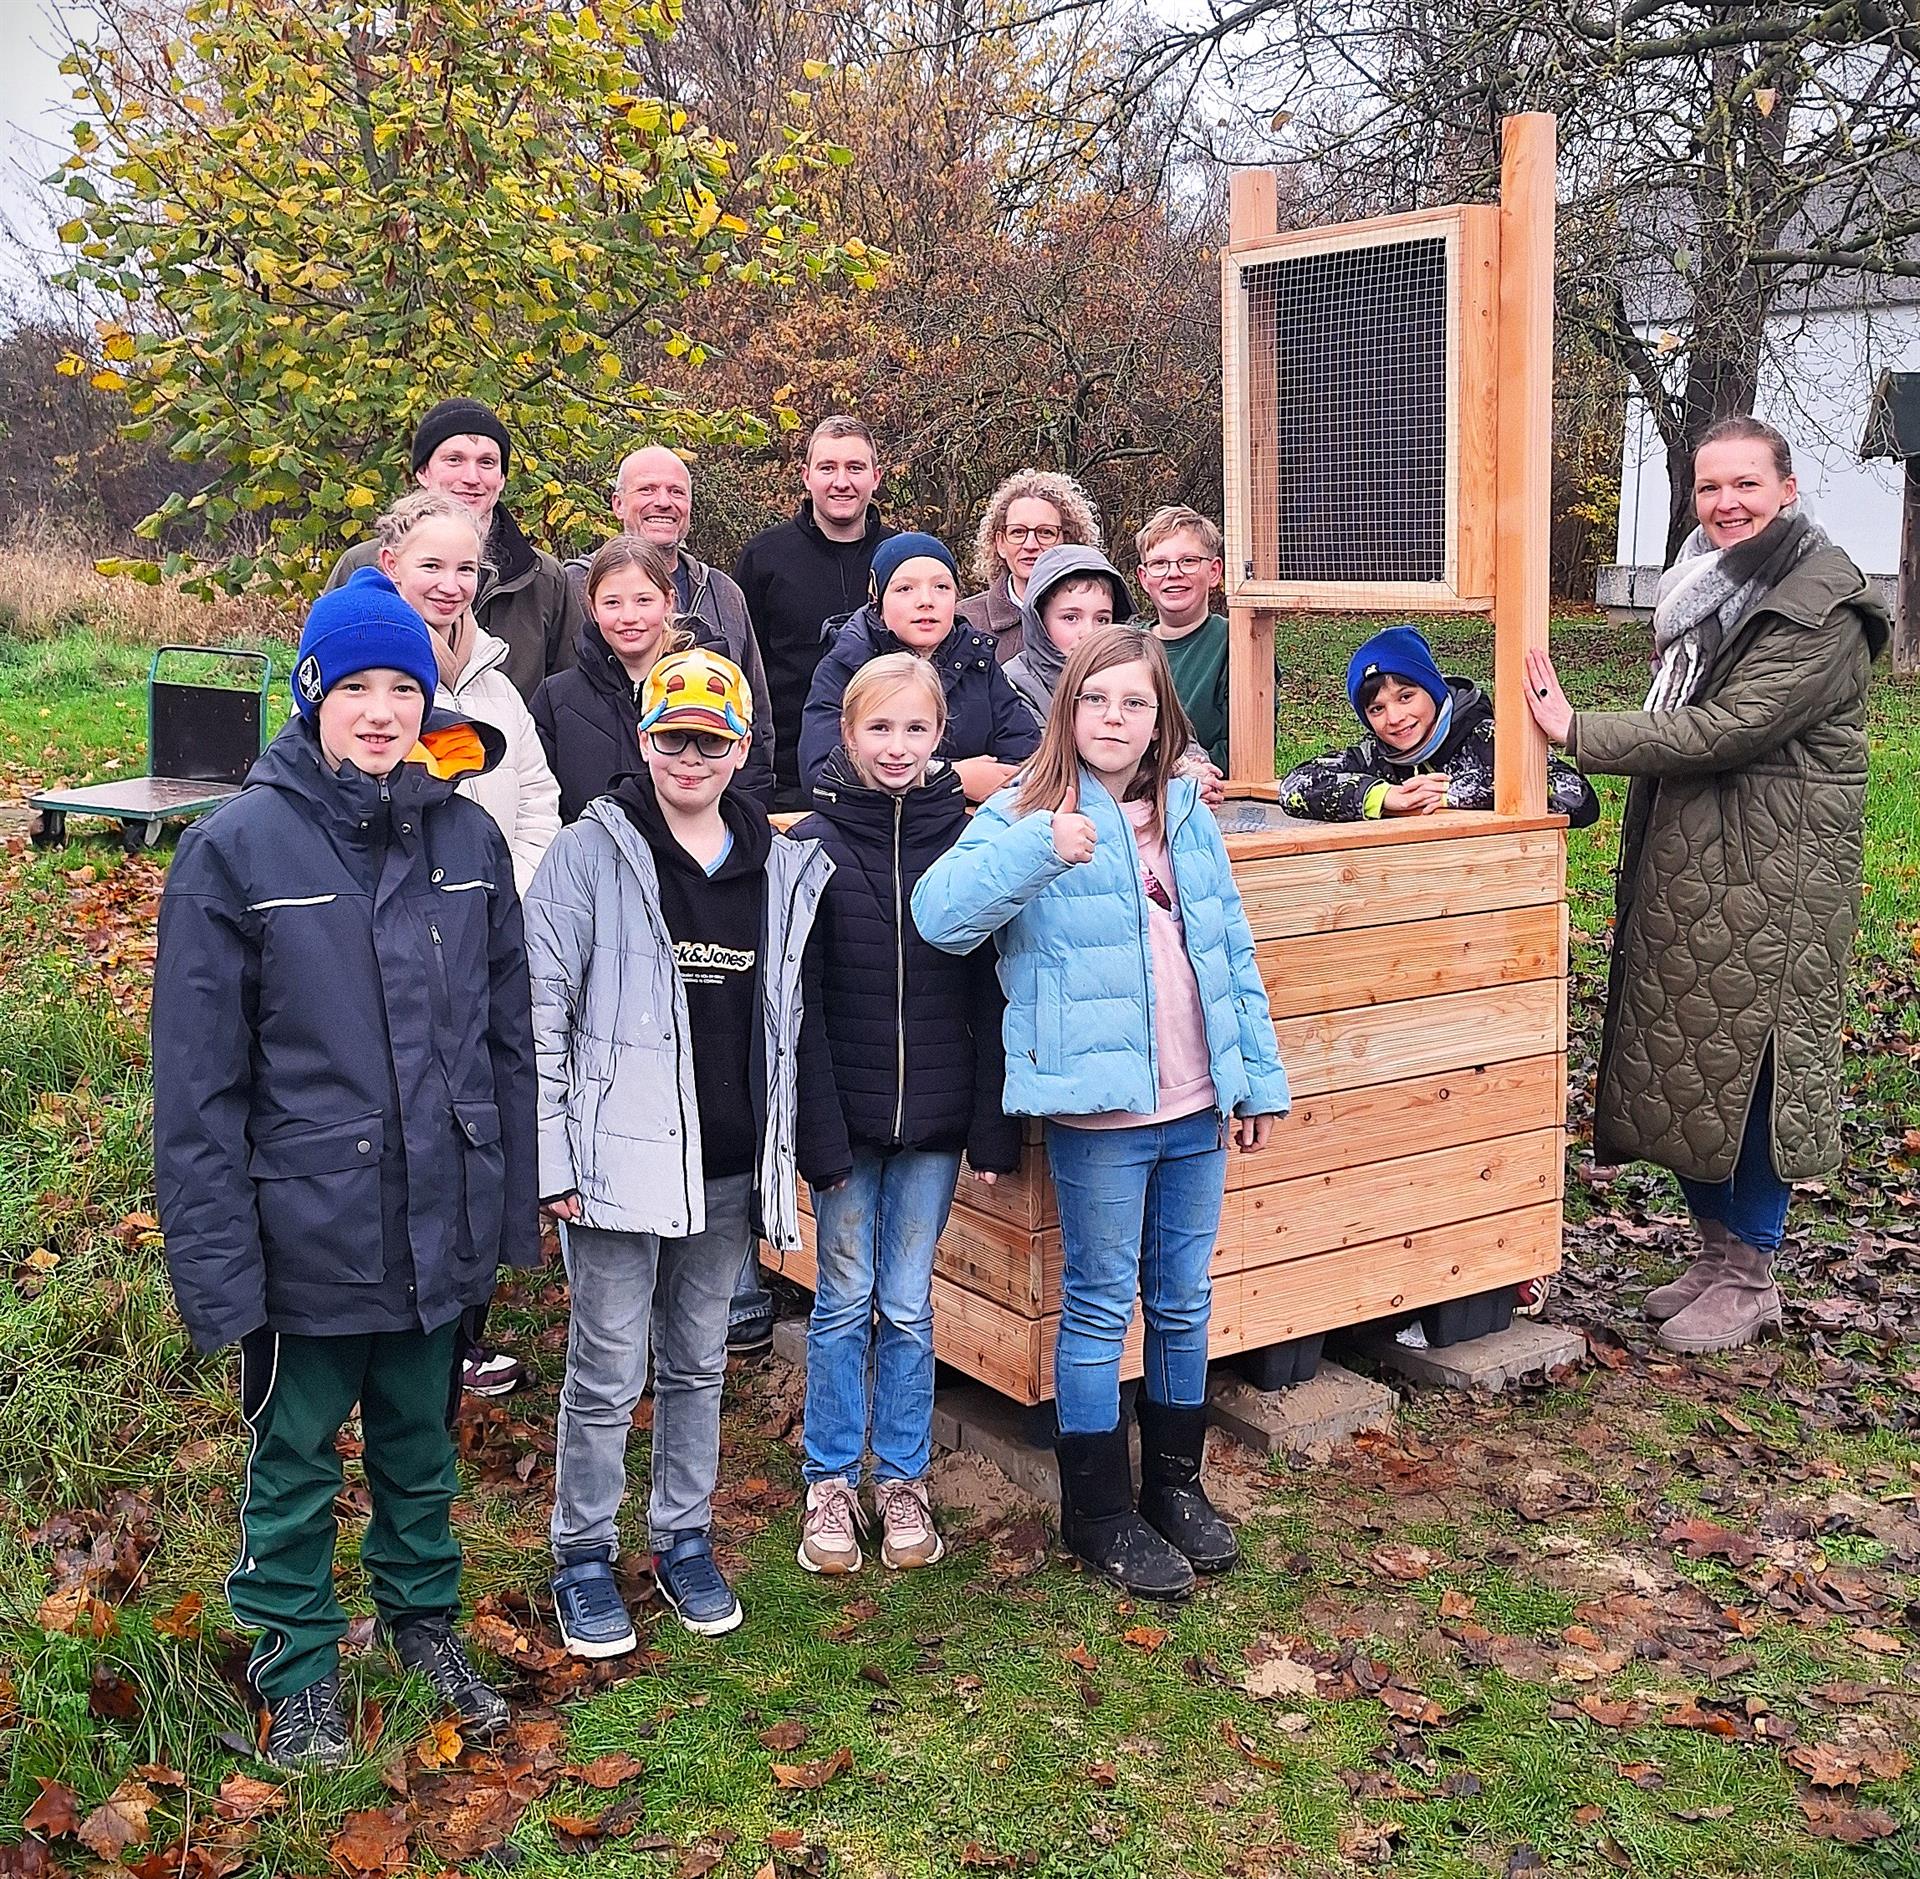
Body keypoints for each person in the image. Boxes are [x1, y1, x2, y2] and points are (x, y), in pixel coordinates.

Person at [153, 569, 537, 1767]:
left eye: (404, 688)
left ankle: (423, 1624)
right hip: (303, 1234)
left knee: (421, 1445)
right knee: (297, 1460)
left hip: (437, 1222)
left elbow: (506, 1040)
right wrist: (220, 1270)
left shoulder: (468, 839)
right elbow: (198, 1089)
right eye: (356, 686)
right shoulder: (235, 851)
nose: (382, 711)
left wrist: (504, 1212)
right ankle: (298, 1663)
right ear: (312, 693)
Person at [914, 627, 1290, 1601]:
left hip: (1197, 1102)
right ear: (1066, 712)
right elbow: (940, 914)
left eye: (1135, 703)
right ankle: (1099, 1512)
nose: (1115, 719)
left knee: (1182, 1300)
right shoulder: (1028, 809)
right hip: (1102, 1115)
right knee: (1095, 1305)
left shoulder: (1182, 813)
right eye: (1096, 701)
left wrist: (1254, 1080)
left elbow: (1229, 950)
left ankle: (1175, 1486)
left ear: (1162, 717)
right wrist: (1041, 848)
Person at [1526, 415, 1888, 1355]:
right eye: (1709, 487)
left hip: (1777, 873)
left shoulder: (1823, 605)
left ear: (1789, 491)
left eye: (1746, 486)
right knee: (1684, 1054)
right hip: (1697, 860)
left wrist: (1577, 731)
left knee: (1755, 1063)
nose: (1726, 504)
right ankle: (1717, 1249)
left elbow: (1729, 726)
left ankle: (1754, 1271)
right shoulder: (1705, 584)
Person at [525, 648, 851, 1653]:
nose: (690, 756)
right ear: (644, 740)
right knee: (609, 1363)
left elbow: (793, 1021)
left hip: (726, 1162)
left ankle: (682, 1535)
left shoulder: (782, 863)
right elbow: (539, 1007)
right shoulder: (592, 854)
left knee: (699, 1360)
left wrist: (792, 1147)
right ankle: (583, 1552)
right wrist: (553, 1159)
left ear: (742, 747)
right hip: (615, 1169)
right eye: (673, 737)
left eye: (711, 740)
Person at [789, 655, 1021, 1576]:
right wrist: (816, 1131)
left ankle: (903, 1477)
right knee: (842, 1301)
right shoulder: (807, 844)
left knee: (908, 1303)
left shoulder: (967, 842)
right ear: (848, 736)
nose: (897, 746)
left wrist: (991, 1124)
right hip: (844, 1121)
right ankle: (831, 1479)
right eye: (878, 729)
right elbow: (796, 1007)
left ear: (941, 739)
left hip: (932, 1120)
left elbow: (990, 988)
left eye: (915, 730)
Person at [328, 397, 582, 700]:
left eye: (486, 463)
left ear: (501, 479)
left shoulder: (542, 578)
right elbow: (322, 682)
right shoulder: (362, 566)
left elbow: (570, 697)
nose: (471, 478)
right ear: (423, 472)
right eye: (454, 460)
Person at [564, 445, 775, 806]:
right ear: (617, 504)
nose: (663, 502)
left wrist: (746, 815)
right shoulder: (571, 585)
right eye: (647, 489)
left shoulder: (724, 593)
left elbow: (757, 716)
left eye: (676, 492)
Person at [375, 490, 561, 897]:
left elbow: (538, 802)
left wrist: (511, 892)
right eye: (431, 566)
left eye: (465, 569)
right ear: (392, 565)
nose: (450, 585)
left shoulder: (498, 686)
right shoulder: (368, 684)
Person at [1280, 624, 1601, 829]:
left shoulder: (1487, 737)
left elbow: (1579, 800)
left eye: (1406, 697)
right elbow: (1294, 787)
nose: (1394, 717)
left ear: (1433, 690)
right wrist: (1385, 796)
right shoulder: (1374, 755)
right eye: (1377, 708)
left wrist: (1455, 794)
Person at [800, 532, 1042, 803]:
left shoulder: (979, 663)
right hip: (870, 833)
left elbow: (1028, 762)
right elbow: (821, 774)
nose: (926, 600)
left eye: (941, 587)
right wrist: (950, 776)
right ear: (877, 599)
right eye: (905, 589)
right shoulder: (845, 666)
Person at [734, 416, 898, 810]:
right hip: (787, 782)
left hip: (893, 774)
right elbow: (743, 671)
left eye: (855, 468)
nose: (841, 481)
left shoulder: (903, 560)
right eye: (828, 468)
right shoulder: (765, 558)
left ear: (875, 477)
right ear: (806, 476)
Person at [533, 536, 695, 824]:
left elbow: (746, 772)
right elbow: (538, 801)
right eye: (612, 603)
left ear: (668, 601)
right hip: (588, 862)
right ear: (593, 608)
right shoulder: (556, 698)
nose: (629, 617)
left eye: (643, 600)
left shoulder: (706, 684)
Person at [958, 469, 1103, 664]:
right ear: (1000, 543)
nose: (1030, 545)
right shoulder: (965, 621)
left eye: (1045, 532)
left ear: (1067, 541)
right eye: (1018, 532)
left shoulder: (1100, 619)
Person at [1136, 507, 1231, 773]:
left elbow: (1244, 749)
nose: (1173, 573)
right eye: (1159, 564)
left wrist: (1187, 774)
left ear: (1214, 571)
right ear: (1144, 578)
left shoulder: (1236, 644)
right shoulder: (1129, 645)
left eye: (1188, 561)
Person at [1004, 543, 1136, 720]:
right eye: (1071, 618)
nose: (1089, 633)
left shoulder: (1135, 675)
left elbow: (1175, 739)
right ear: (1040, 621)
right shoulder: (1013, 684)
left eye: (1102, 620)